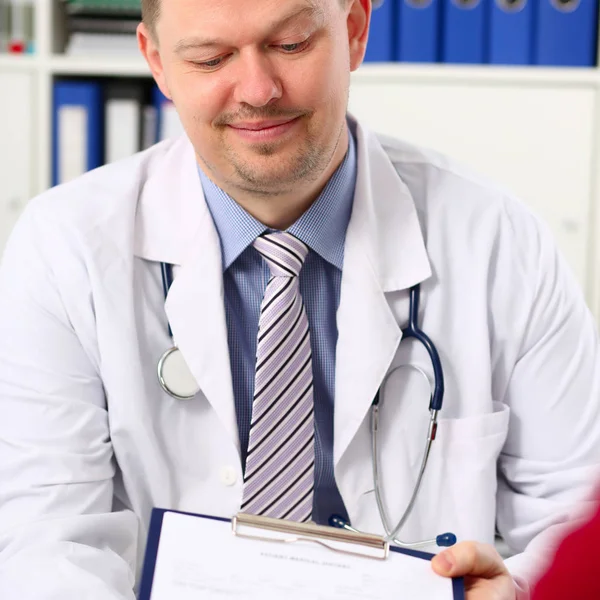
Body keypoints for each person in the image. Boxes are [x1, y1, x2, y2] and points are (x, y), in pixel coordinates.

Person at [0, 0, 598, 598]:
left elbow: (575, 517)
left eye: (291, 45)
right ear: (157, 63)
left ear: (356, 30)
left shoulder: (498, 242)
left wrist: (515, 588)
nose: (258, 90)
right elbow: (49, 545)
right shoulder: (65, 248)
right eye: (211, 58)